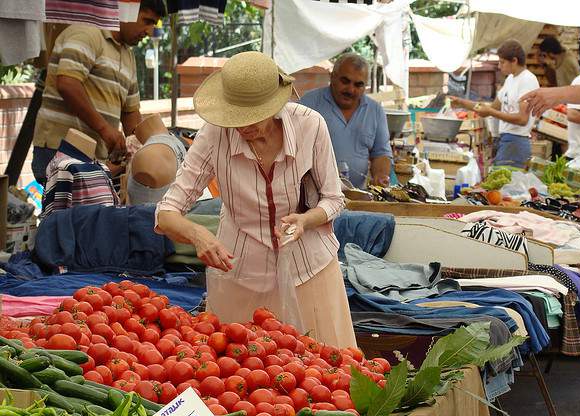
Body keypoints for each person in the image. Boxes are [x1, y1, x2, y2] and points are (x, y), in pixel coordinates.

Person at [155, 51, 357, 348]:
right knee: (243, 377)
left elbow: (333, 199)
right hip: (239, 273)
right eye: (234, 117)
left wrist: (305, 220)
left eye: (251, 118)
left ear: (275, 106)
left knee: (322, 372)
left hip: (309, 269)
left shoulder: (310, 126)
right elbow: (166, 212)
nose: (242, 127)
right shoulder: (214, 135)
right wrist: (199, 235)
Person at [31, 0, 166, 187]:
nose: (150, 31)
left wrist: (141, 148)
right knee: (66, 215)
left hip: (91, 158)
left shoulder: (128, 56)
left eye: (154, 24)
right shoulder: (86, 33)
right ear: (127, 10)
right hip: (60, 150)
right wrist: (105, 130)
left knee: (85, 216)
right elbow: (68, 84)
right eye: (147, 21)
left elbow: (131, 114)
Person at [299, 53, 392, 189]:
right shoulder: (309, 104)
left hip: (357, 197)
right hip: (313, 197)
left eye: (358, 85)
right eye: (345, 81)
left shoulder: (375, 111)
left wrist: (380, 176)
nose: (350, 90)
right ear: (332, 76)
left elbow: (381, 153)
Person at [450, 40, 539, 169]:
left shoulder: (527, 80)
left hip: (516, 143)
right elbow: (492, 107)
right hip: (505, 141)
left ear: (514, 61)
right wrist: (462, 102)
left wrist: (491, 113)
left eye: (502, 62)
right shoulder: (510, 79)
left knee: (505, 186)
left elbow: (522, 119)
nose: (499, 66)